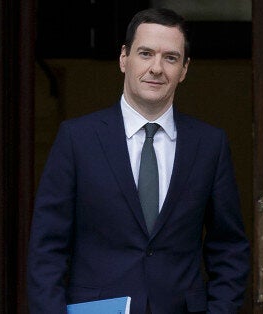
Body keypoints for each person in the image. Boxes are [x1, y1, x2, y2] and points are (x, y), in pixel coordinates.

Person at [27, 8, 250, 314]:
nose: (156, 68)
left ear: (184, 69)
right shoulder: (77, 139)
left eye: (170, 58)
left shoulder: (209, 145)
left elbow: (228, 248)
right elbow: (47, 248)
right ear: (124, 58)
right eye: (145, 53)